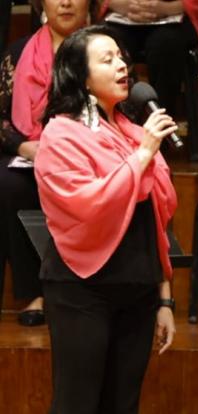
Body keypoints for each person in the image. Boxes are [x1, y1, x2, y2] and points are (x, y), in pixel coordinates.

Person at [33, 25, 178, 414]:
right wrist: (142, 156)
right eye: (107, 59)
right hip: (81, 290)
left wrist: (164, 298)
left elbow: (156, 217)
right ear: (78, 74)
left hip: (136, 287)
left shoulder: (133, 131)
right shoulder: (61, 134)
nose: (122, 66)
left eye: (122, 56)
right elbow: (88, 204)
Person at [0, 0, 92, 326]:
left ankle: (85, 292)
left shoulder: (105, 47)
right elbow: (1, 117)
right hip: (30, 152)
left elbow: (123, 112)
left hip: (89, 152)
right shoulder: (18, 51)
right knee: (8, 183)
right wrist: (23, 146)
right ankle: (33, 291)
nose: (65, 2)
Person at [98, 0, 198, 116]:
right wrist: (119, 4)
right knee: (105, 41)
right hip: (122, 13)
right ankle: (113, 118)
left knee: (165, 44)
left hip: (178, 16)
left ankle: (161, 120)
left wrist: (166, 8)